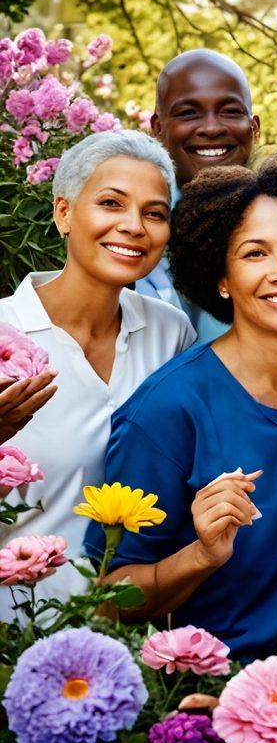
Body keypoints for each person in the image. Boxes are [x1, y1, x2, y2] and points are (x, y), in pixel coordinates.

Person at [85, 153, 277, 659]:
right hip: (206, 686)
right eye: (255, 254)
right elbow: (106, 601)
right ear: (221, 277)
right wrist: (201, 554)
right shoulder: (166, 411)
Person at [0, 131, 195, 620]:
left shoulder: (170, 332)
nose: (133, 226)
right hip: (12, 633)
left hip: (126, 633)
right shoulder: (5, 332)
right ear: (64, 213)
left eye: (154, 213)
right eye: (111, 203)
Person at [140, 49, 261, 344]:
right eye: (188, 113)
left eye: (230, 111)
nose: (211, 128)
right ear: (157, 128)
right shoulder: (134, 226)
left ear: (254, 127)